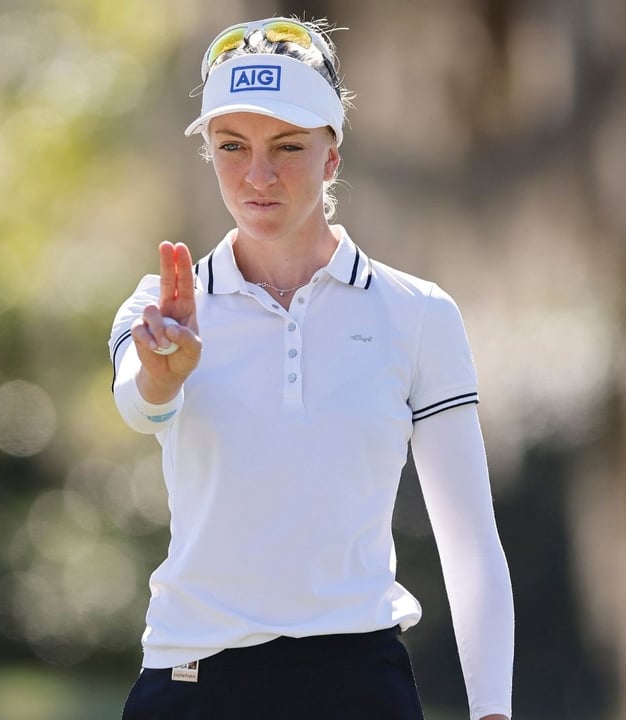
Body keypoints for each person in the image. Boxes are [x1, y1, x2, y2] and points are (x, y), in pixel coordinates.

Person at [107, 17, 513, 720]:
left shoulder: (417, 314)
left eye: (288, 146)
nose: (258, 175)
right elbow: (137, 404)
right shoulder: (159, 307)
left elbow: (470, 540)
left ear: (332, 157)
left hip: (358, 681)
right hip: (191, 679)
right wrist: (163, 376)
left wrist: (493, 712)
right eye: (232, 146)